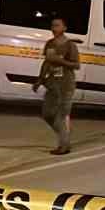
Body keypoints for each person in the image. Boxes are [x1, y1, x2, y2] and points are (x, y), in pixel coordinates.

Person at [33, 16, 80, 155]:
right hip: (52, 84)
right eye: (53, 25)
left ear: (64, 28)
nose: (54, 28)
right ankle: (64, 136)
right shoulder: (50, 44)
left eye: (57, 25)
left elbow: (76, 65)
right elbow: (47, 62)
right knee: (47, 114)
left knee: (61, 116)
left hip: (66, 84)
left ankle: (64, 145)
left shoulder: (70, 45)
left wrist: (60, 61)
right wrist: (40, 80)